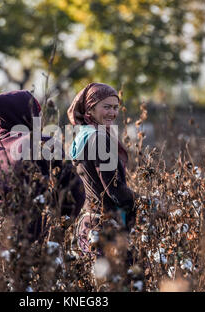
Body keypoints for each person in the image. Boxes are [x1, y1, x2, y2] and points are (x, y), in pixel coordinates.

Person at [0, 90, 84, 255]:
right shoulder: (42, 143)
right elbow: (75, 192)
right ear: (31, 115)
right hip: (26, 240)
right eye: (38, 114)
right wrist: (58, 227)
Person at [67, 83, 138, 258]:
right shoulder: (98, 139)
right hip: (105, 230)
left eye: (115, 107)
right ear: (90, 109)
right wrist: (145, 203)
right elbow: (114, 189)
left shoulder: (83, 135)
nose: (112, 113)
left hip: (88, 226)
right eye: (106, 107)